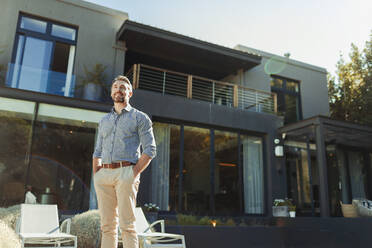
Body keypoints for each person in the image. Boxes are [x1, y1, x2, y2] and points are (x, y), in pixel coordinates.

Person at [92, 75, 156, 248]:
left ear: (130, 92)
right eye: (115, 87)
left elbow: (150, 149)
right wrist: (96, 174)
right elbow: (97, 150)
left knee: (127, 226)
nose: (118, 89)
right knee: (107, 227)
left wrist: (133, 173)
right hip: (103, 175)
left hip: (126, 173)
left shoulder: (140, 118)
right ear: (111, 92)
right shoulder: (104, 121)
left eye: (122, 87)